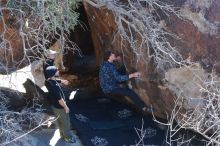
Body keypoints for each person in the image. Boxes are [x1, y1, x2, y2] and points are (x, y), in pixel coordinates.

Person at [44, 66, 75, 143]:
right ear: (53, 74)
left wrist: (62, 81)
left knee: (59, 120)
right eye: (56, 70)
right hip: (60, 106)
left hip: (54, 105)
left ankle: (62, 134)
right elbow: (60, 99)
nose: (58, 71)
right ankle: (67, 137)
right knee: (66, 122)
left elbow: (53, 79)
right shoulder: (55, 87)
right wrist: (65, 107)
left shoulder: (48, 81)